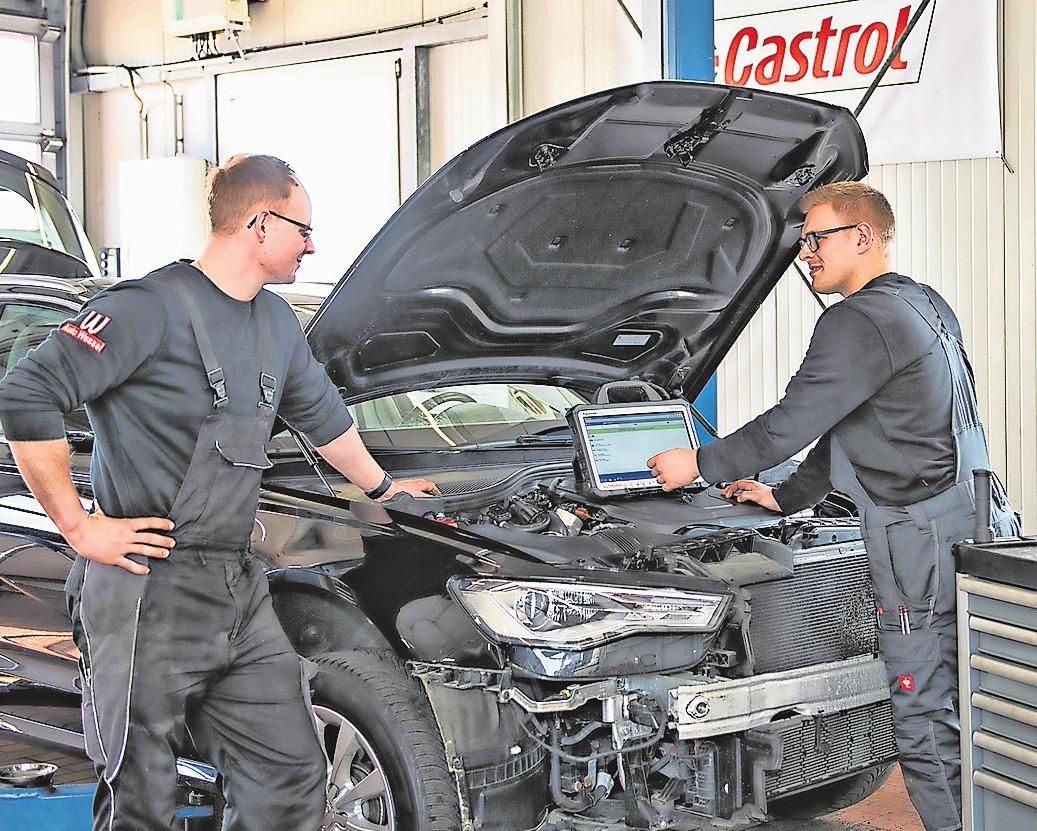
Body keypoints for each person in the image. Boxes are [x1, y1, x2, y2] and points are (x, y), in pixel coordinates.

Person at [0, 154, 440, 830]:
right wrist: (79, 528)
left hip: (235, 586)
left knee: (291, 776)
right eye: (303, 228)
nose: (312, 244)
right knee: (142, 793)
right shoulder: (146, 309)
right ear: (260, 223)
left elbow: (323, 418)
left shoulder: (275, 323)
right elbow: (27, 391)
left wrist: (384, 485)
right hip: (146, 585)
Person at [647, 181, 1018, 831]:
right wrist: (784, 497)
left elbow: (787, 425)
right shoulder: (922, 303)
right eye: (801, 241)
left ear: (862, 236)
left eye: (815, 238)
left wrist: (695, 463)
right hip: (975, 521)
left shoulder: (853, 320)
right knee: (975, 708)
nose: (804, 254)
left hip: (917, 538)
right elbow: (845, 428)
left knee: (923, 716)